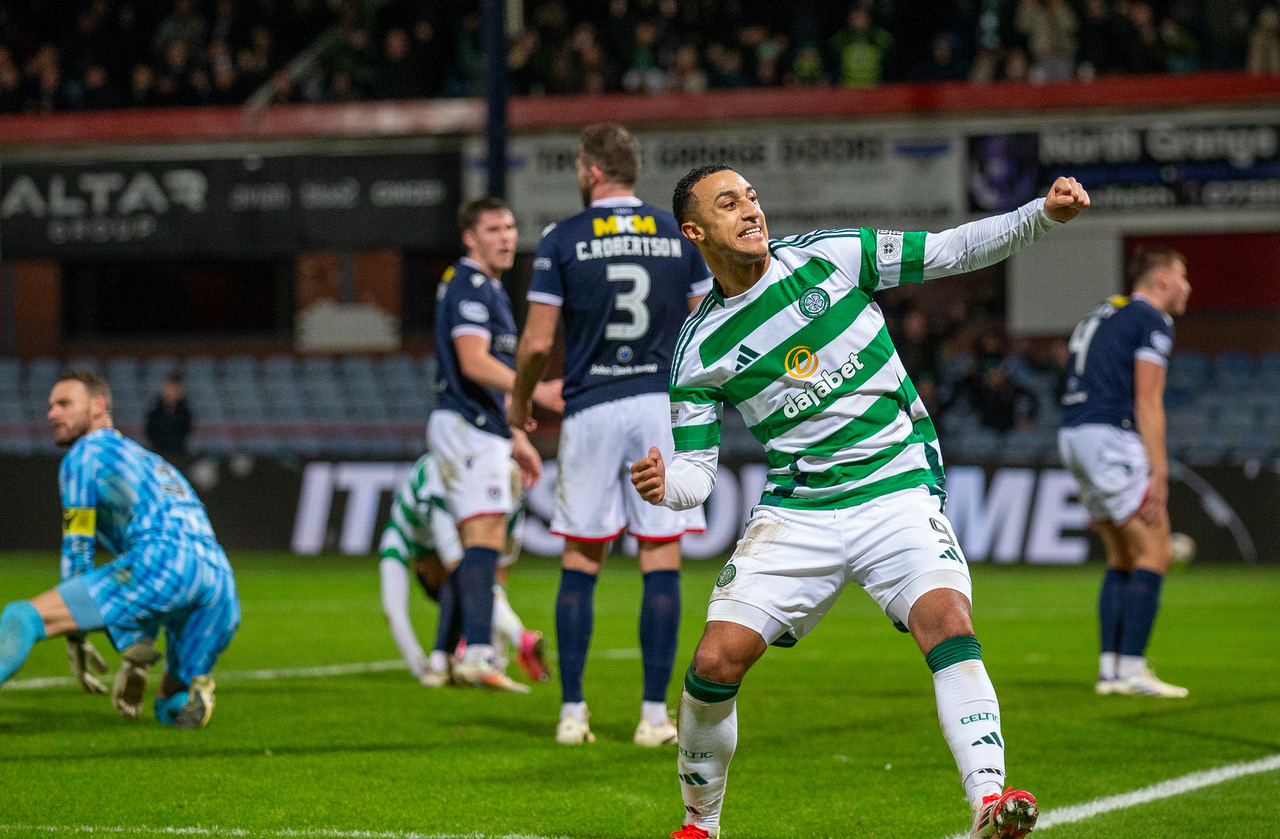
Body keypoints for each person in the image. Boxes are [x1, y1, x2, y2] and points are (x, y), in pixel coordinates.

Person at [631, 164, 1091, 839]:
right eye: (729, 203)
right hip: (799, 511)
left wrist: (1040, 215)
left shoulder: (828, 256)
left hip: (895, 488)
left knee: (948, 621)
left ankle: (990, 801)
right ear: (696, 230)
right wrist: (664, 485)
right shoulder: (700, 349)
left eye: (753, 197)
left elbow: (949, 250)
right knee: (712, 663)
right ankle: (701, 822)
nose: (751, 210)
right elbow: (698, 474)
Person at [508, 123, 712, 747]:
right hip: (658, 404)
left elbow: (541, 341)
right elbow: (708, 319)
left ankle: (573, 712)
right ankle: (654, 717)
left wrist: (520, 405)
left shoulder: (562, 237)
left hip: (592, 405)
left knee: (580, 559)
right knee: (661, 558)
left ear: (591, 171)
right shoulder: (678, 237)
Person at [0, 371, 239, 728]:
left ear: (98, 407)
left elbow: (78, 546)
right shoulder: (153, 461)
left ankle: (164, 679)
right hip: (218, 581)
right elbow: (167, 574)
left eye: (64, 404)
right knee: (168, 706)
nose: (52, 414)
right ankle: (188, 698)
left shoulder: (85, 455)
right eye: (50, 406)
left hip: (162, 561)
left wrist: (75, 631)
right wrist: (137, 658)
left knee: (22, 617)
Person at [431, 196, 561, 692]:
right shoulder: (468, 284)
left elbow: (487, 384)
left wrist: (516, 436)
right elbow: (473, 363)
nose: (506, 237)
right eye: (493, 230)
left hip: (483, 427)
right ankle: (478, 653)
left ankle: (451, 656)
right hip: (464, 426)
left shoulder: (490, 290)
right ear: (470, 238)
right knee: (483, 538)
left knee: (480, 545)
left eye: (510, 227)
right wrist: (534, 392)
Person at [1058, 246, 1192, 698]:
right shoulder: (1152, 320)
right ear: (1160, 282)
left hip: (1073, 435)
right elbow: (1147, 400)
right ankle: (1133, 670)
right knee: (1157, 551)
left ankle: (1111, 670)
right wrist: (1159, 471)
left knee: (1122, 556)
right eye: (1181, 277)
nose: (1188, 287)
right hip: (1110, 436)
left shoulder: (1103, 313)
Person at [378, 451, 547, 686]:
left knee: (469, 578)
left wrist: (498, 660)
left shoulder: (458, 498)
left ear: (421, 568)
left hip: (471, 490)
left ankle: (454, 657)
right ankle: (452, 657)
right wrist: (423, 668)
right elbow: (394, 613)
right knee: (467, 578)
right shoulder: (406, 530)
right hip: (465, 493)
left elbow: (495, 583)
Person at [145, 373, 192, 459]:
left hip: (178, 456)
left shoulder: (184, 412)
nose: (170, 391)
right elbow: (150, 432)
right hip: (158, 454)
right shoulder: (155, 412)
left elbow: (184, 432)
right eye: (169, 388)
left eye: (174, 389)